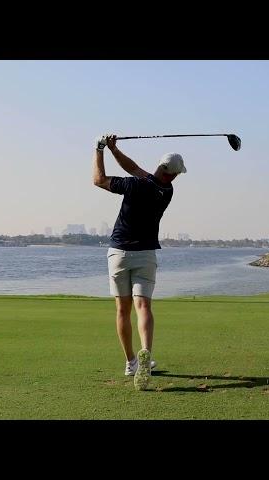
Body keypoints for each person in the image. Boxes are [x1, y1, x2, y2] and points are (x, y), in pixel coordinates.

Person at [92, 134, 186, 390]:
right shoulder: (166, 190)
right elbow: (133, 167)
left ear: (159, 166)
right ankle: (146, 351)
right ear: (174, 174)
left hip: (119, 253)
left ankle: (131, 361)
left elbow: (98, 180)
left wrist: (100, 149)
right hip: (145, 255)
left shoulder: (135, 185)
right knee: (143, 307)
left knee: (122, 311)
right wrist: (114, 149)